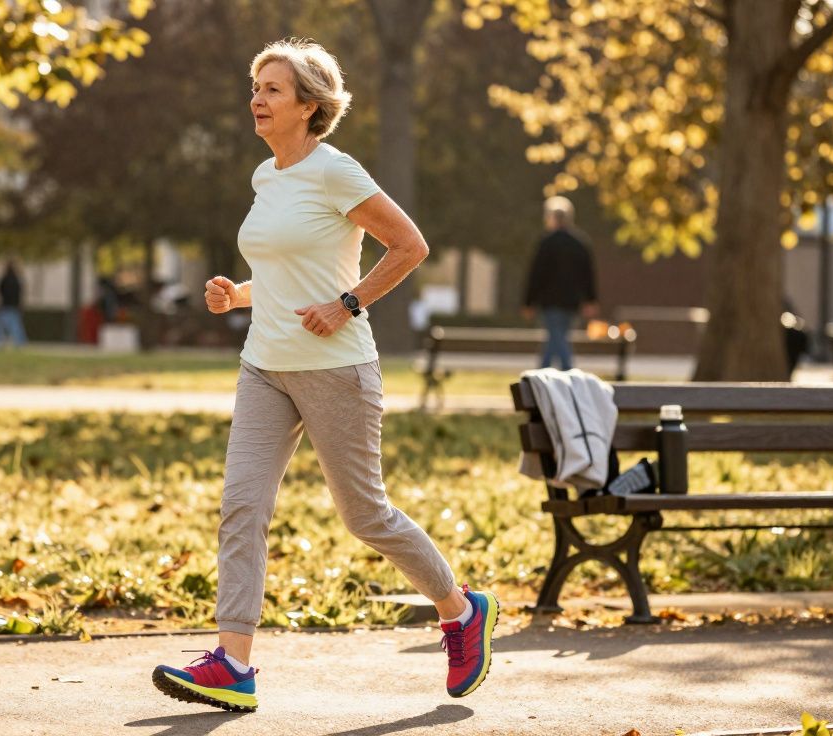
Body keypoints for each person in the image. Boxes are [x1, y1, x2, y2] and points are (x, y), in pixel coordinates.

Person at [151, 39, 498, 713]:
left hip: (337, 369)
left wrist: (350, 304)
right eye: (256, 85)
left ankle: (460, 610)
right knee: (242, 507)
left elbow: (410, 246)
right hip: (264, 367)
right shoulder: (267, 176)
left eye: (274, 89)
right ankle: (233, 663)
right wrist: (239, 295)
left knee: (365, 515)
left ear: (311, 106)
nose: (257, 97)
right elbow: (289, 272)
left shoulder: (338, 172)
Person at [521, 196, 599, 370]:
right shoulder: (580, 243)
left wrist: (528, 302)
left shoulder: (546, 243)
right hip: (572, 302)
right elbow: (588, 275)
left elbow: (536, 275)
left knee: (557, 337)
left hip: (551, 302)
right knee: (557, 336)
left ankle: (567, 371)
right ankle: (542, 373)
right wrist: (590, 299)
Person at [0, 259, 27, 349]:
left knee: (0, 327)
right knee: (16, 327)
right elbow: (20, 294)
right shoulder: (17, 280)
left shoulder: (3, 279)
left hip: (4, 305)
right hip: (14, 306)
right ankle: (19, 344)